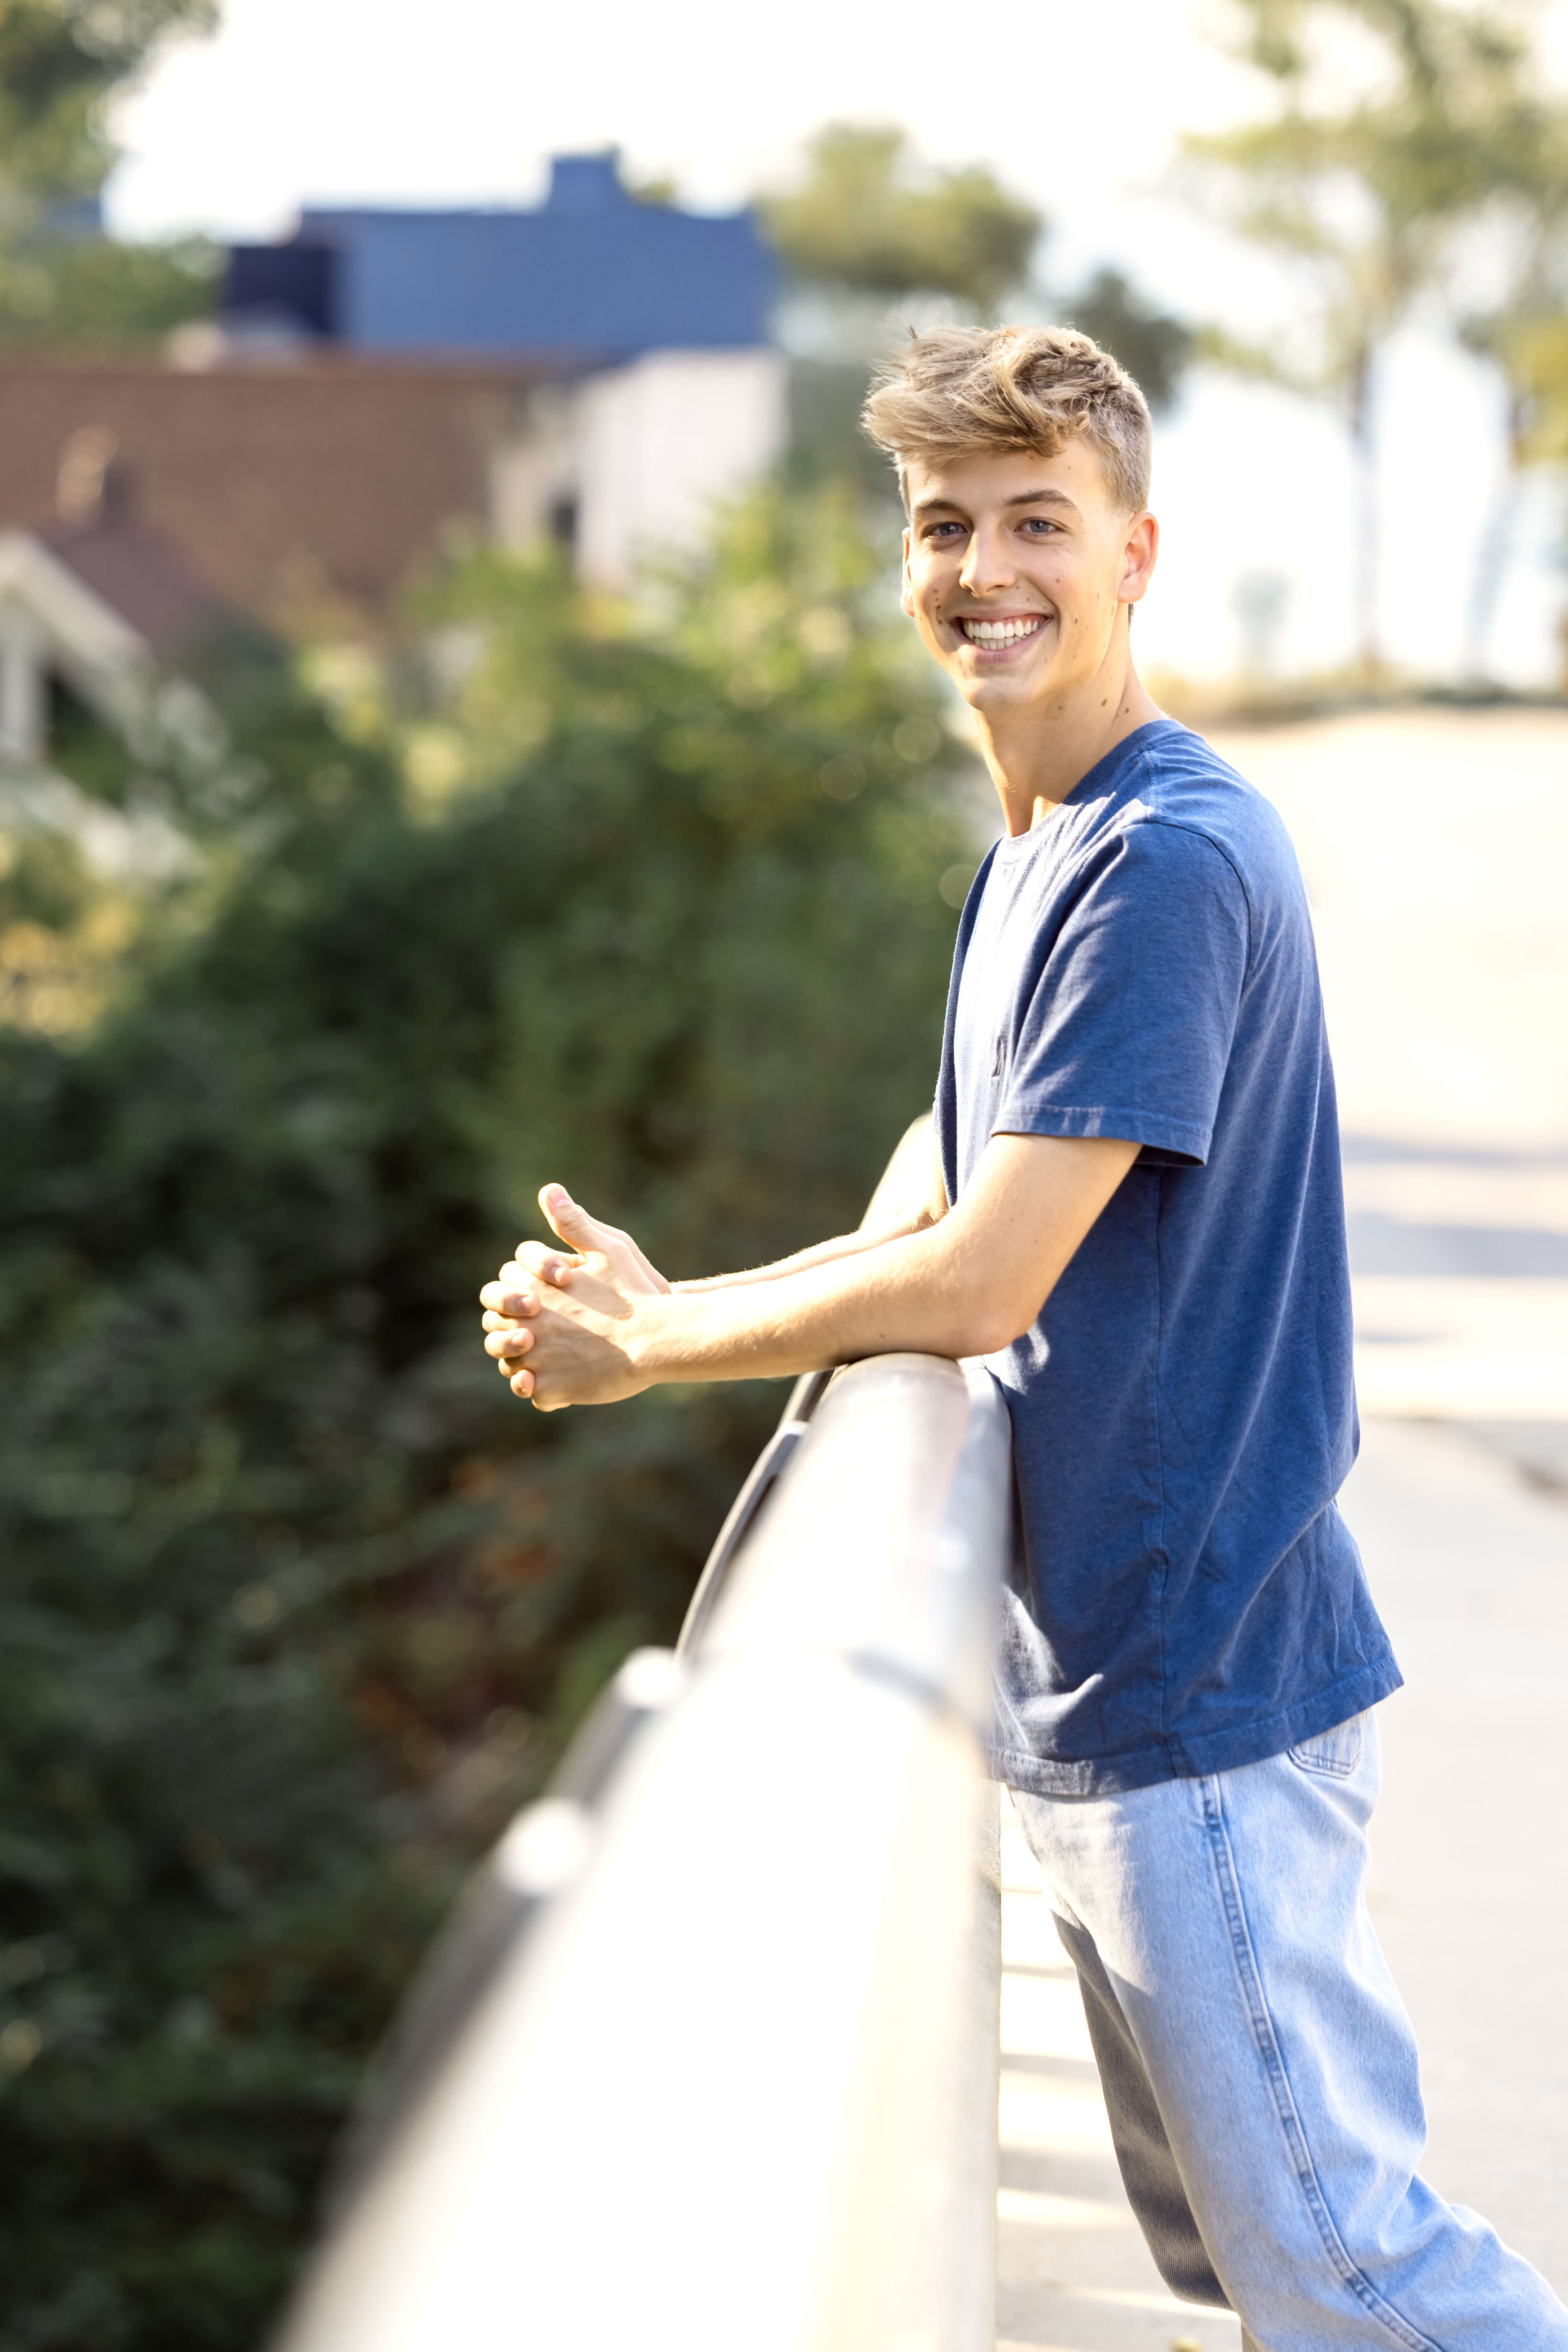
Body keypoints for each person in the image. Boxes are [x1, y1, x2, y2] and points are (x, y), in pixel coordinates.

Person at [479, 325, 1567, 2350]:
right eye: (943, 521)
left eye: (1037, 521)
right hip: (1119, 1691)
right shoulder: (1039, 851)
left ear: (1137, 551)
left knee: (1354, 2277)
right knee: (1266, 2283)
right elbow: (942, 1184)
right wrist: (657, 1289)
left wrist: (663, 1340)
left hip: (1197, 1689)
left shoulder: (1159, 860)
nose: (986, 564)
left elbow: (986, 1277)